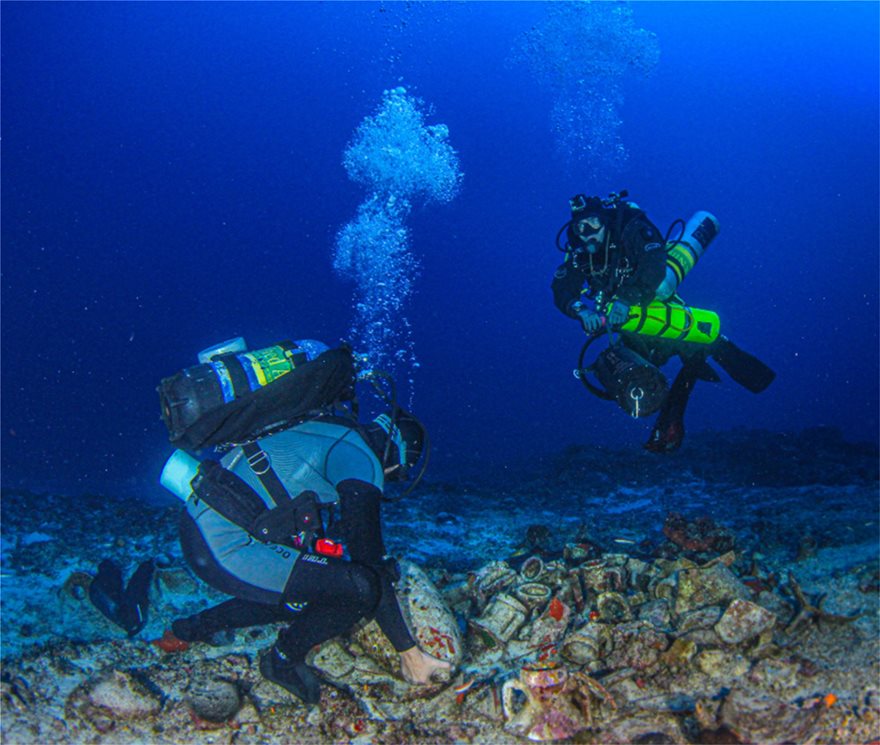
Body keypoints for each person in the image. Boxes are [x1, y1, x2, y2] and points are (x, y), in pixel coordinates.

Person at [168, 407, 450, 704]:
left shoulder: (333, 430)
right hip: (223, 546)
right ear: (398, 456)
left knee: (318, 586)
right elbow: (369, 566)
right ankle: (282, 660)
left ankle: (190, 629)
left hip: (203, 526)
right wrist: (410, 654)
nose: (390, 479)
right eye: (399, 473)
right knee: (359, 589)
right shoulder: (363, 460)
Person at [551, 191, 775, 452]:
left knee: (693, 348)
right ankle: (666, 423)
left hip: (655, 304)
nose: (587, 232)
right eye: (580, 227)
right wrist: (580, 310)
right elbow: (562, 287)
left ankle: (673, 423)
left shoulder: (632, 229)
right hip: (630, 322)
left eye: (593, 224)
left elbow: (653, 266)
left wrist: (625, 298)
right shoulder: (580, 253)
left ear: (606, 221)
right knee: (632, 370)